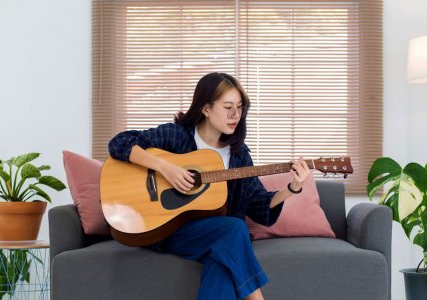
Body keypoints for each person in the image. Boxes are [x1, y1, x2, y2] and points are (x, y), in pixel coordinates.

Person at [108, 72, 310, 300]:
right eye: (228, 107)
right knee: (234, 229)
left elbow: (257, 204)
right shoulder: (176, 136)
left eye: (240, 107)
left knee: (223, 264)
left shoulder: (239, 155)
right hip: (167, 230)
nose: (236, 115)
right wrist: (166, 168)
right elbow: (120, 143)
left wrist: (292, 188)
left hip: (215, 236)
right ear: (206, 109)